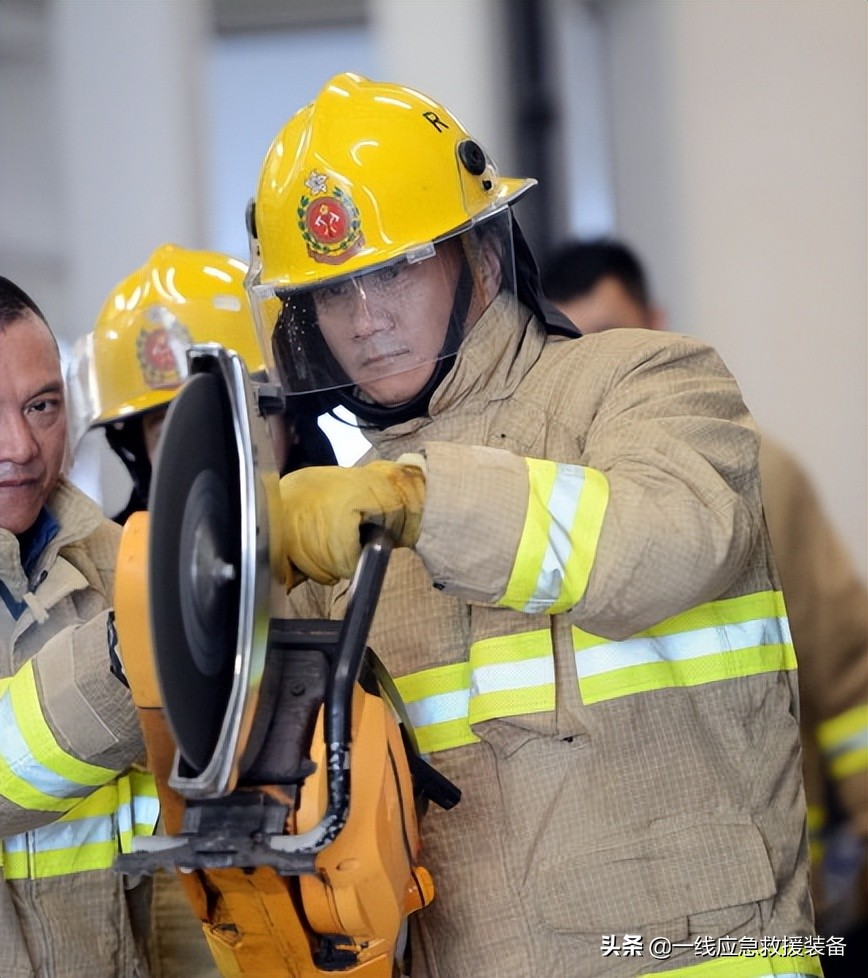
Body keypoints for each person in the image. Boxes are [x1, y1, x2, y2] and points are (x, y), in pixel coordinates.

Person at [243, 72, 821, 977]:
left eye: (393, 268)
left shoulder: (646, 383)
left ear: (477, 252)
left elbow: (664, 541)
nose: (367, 320)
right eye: (334, 292)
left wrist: (419, 501)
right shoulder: (340, 524)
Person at [541, 236, 868, 974]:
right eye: (574, 346)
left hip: (774, 906)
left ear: (660, 324)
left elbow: (850, 678)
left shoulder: (754, 476)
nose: (599, 364)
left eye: (616, 337)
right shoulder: (538, 515)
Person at [0, 275, 156, 977]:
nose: (22, 447)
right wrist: (123, 664)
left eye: (42, 407)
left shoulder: (125, 563)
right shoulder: (135, 618)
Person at [67, 243, 335, 526]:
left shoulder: (351, 533)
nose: (208, 453)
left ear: (292, 422)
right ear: (140, 454)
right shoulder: (108, 565)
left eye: (232, 414)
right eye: (169, 431)